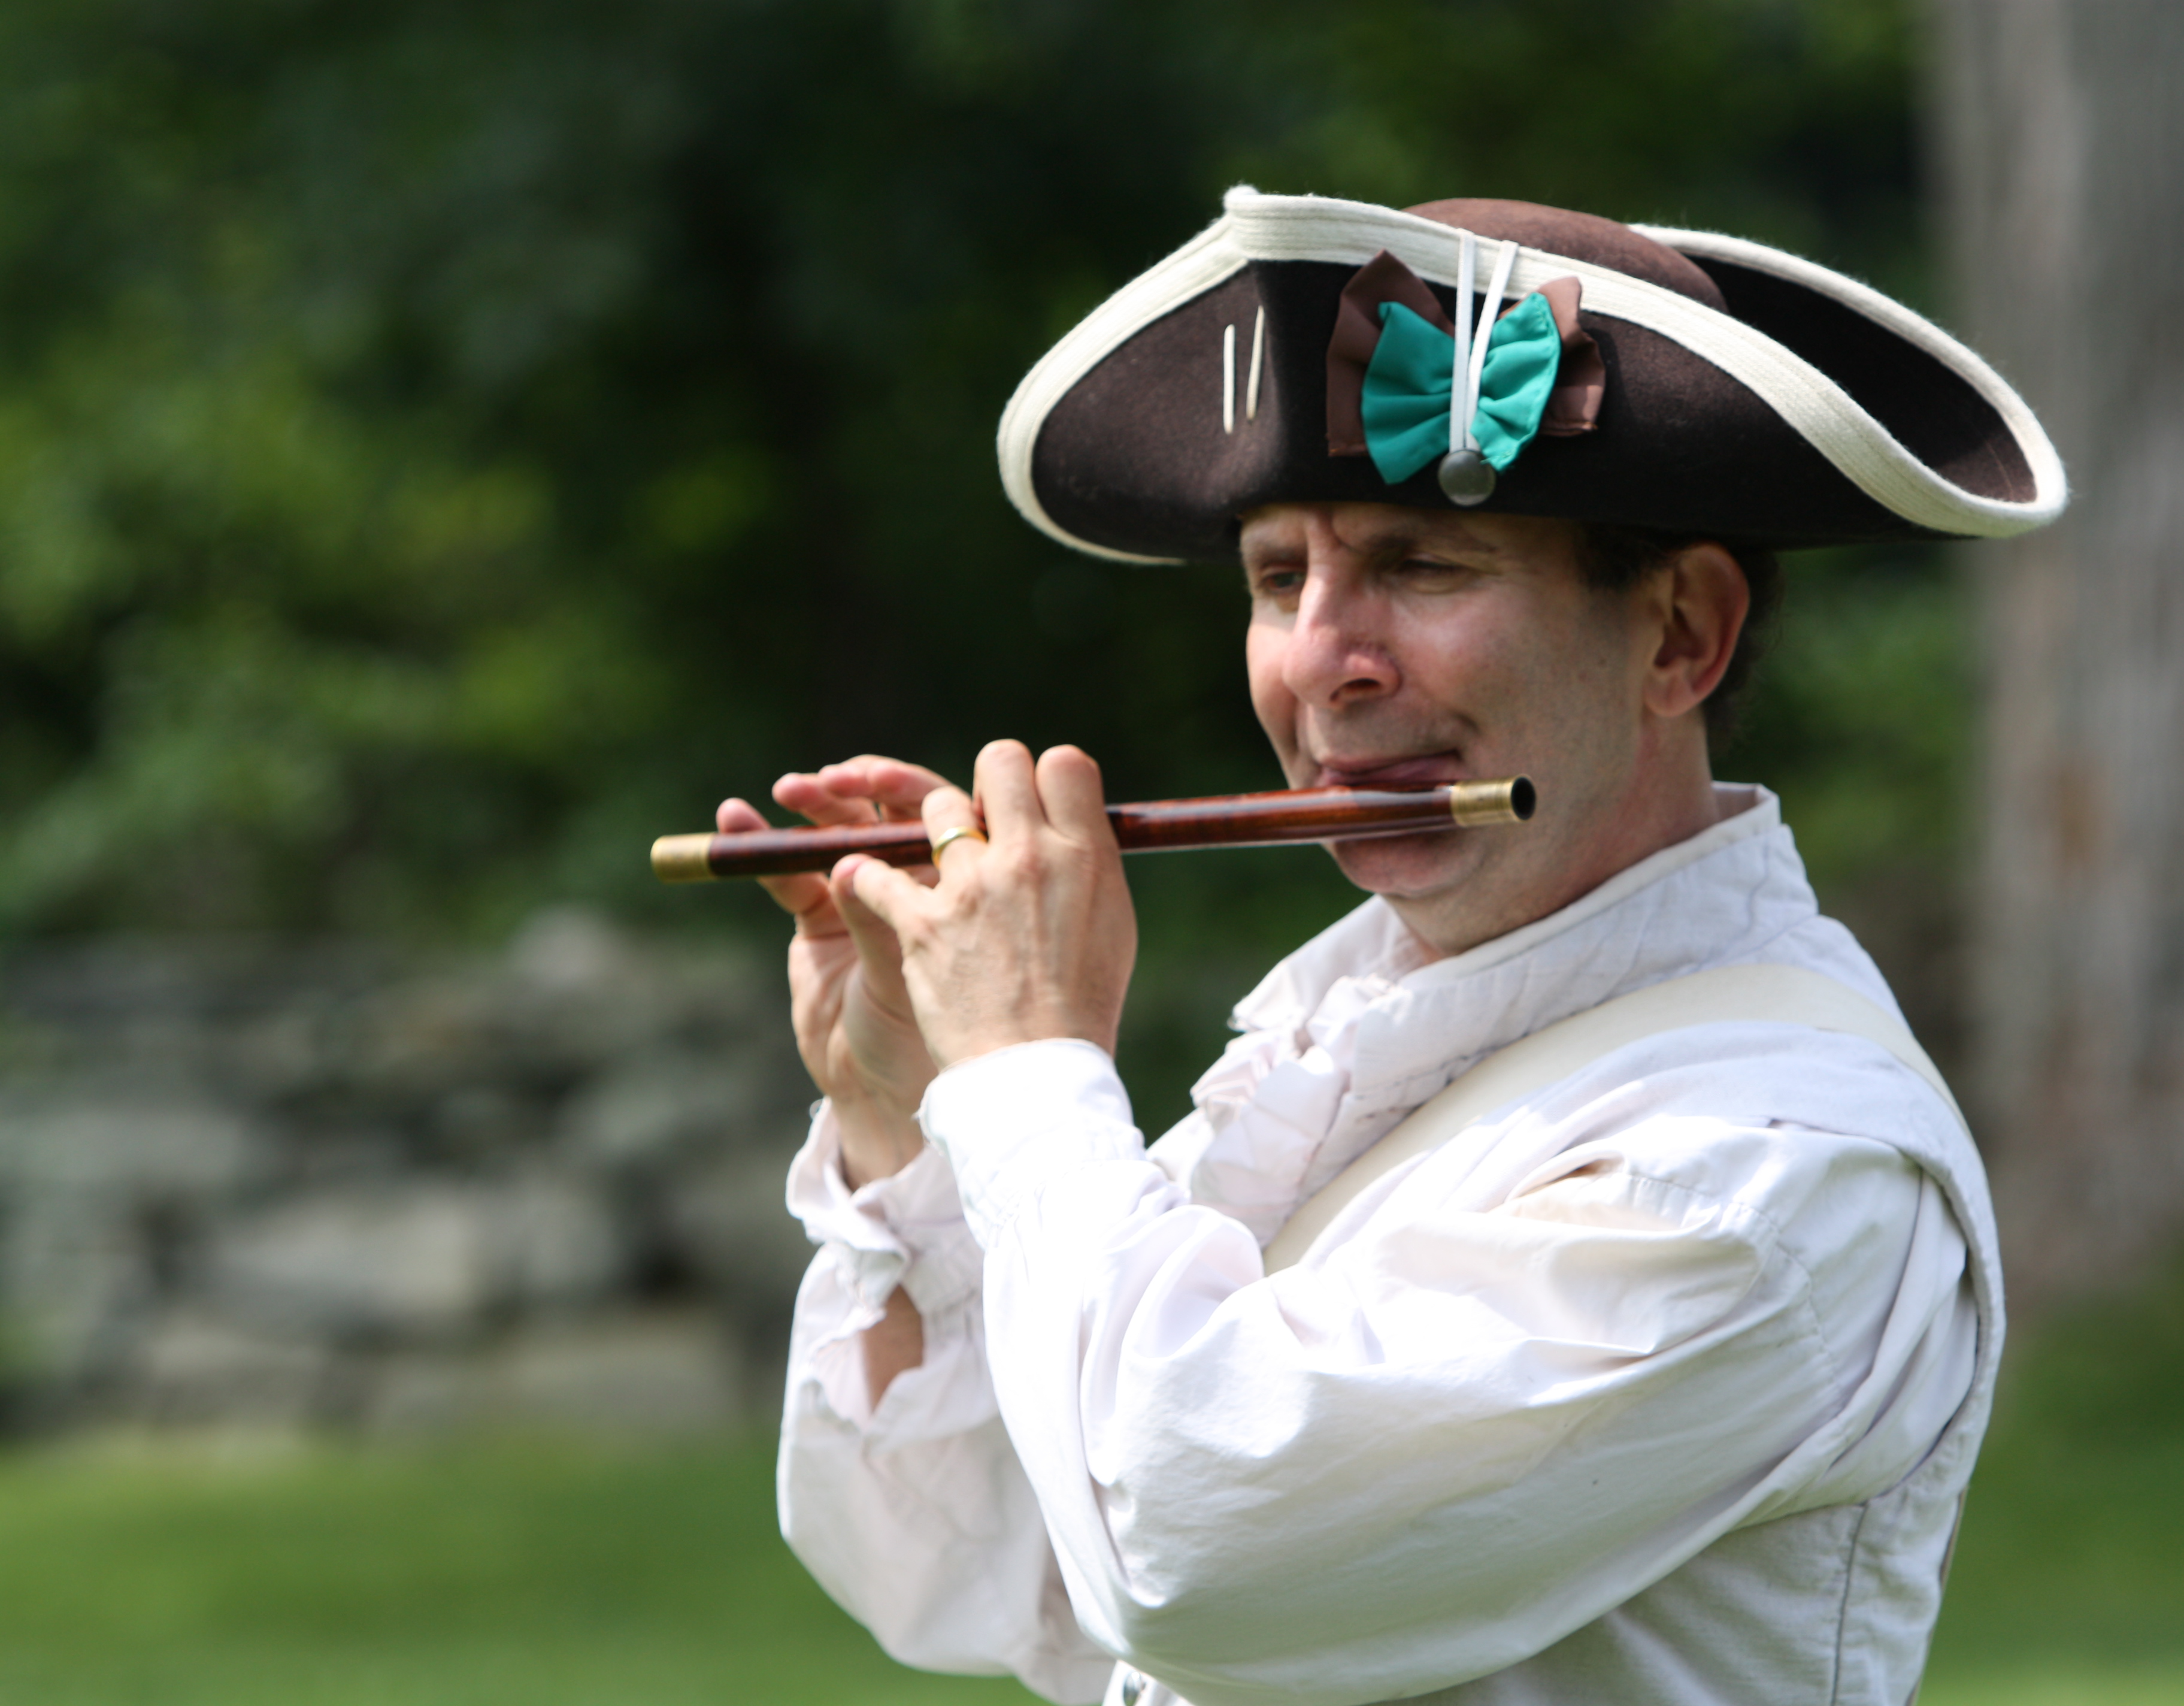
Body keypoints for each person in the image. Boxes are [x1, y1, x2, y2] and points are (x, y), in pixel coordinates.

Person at [728, 191, 2064, 1706]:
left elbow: (1185, 1553)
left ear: (1680, 633)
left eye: (1424, 567)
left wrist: (1033, 1063)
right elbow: (985, 1565)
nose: (1321, 662)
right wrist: (910, 1109)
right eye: (1277, 577)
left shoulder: (1764, 1156)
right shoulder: (1365, 1038)